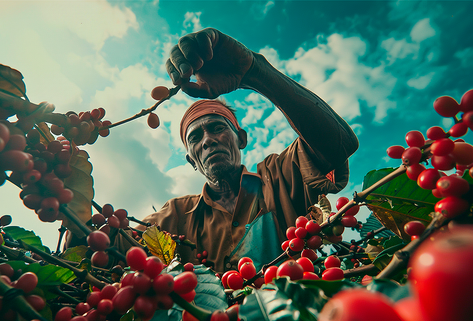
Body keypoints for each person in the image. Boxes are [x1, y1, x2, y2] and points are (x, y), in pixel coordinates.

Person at [128, 28, 359, 274]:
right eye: (195, 137)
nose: (208, 140)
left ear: (241, 139)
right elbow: (106, 245)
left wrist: (255, 73)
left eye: (217, 127)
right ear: (191, 161)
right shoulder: (174, 216)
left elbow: (339, 143)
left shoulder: (279, 177)